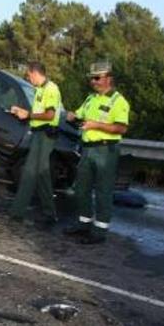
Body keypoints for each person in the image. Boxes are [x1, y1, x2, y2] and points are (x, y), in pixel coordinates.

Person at [63, 61, 130, 244]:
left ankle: (99, 231)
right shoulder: (90, 98)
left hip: (106, 150)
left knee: (103, 192)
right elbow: (80, 116)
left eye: (97, 78)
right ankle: (83, 223)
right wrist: (72, 116)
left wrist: (96, 125)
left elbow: (121, 128)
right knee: (81, 189)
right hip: (88, 149)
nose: (93, 81)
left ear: (109, 78)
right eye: (92, 78)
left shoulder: (118, 101)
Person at [9, 62, 62, 225]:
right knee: (40, 173)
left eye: (28, 75)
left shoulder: (51, 89)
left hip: (46, 135)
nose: (28, 78)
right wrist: (22, 111)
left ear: (35, 73)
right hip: (39, 134)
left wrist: (28, 115)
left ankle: (17, 212)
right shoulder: (40, 89)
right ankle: (49, 213)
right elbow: (39, 113)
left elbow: (50, 115)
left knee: (31, 172)